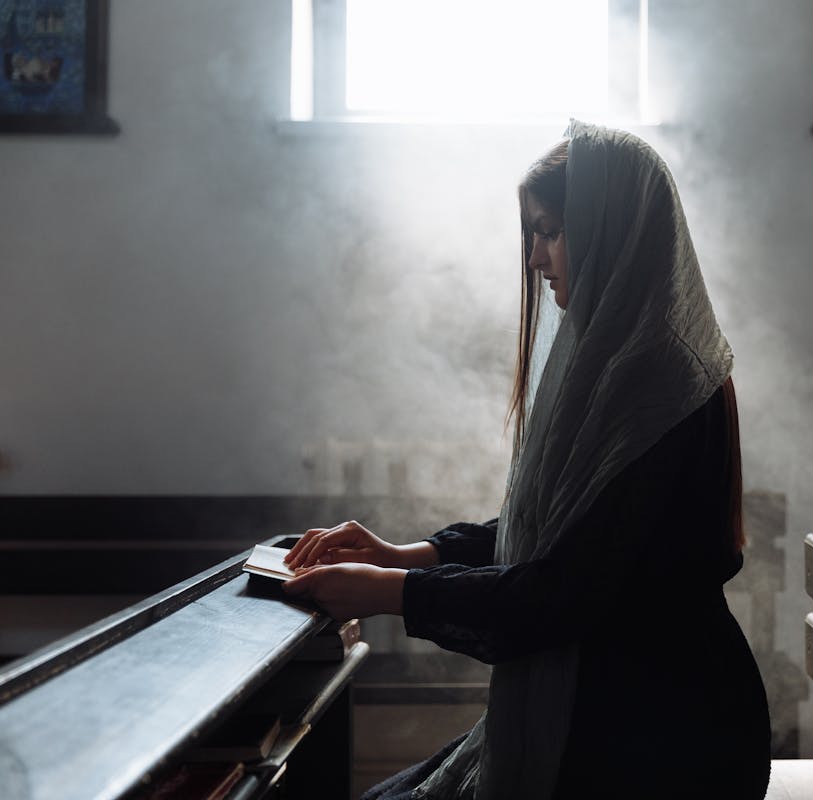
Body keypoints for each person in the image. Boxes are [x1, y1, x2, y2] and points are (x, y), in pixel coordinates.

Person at [281, 120, 771, 800]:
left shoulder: (662, 385)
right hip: (615, 709)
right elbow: (556, 532)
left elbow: (562, 593)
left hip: (664, 736)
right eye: (533, 234)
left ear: (611, 231)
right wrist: (405, 556)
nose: (536, 258)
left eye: (552, 231)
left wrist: (389, 592)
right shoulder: (616, 364)